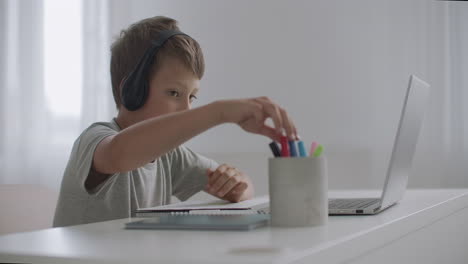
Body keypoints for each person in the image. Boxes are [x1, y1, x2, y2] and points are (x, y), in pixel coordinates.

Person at [53, 16, 298, 227]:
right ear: (132, 90)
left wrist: (236, 185)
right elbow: (119, 154)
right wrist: (220, 112)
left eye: (192, 97)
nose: (186, 108)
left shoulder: (170, 156)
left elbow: (246, 190)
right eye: (174, 93)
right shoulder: (94, 139)